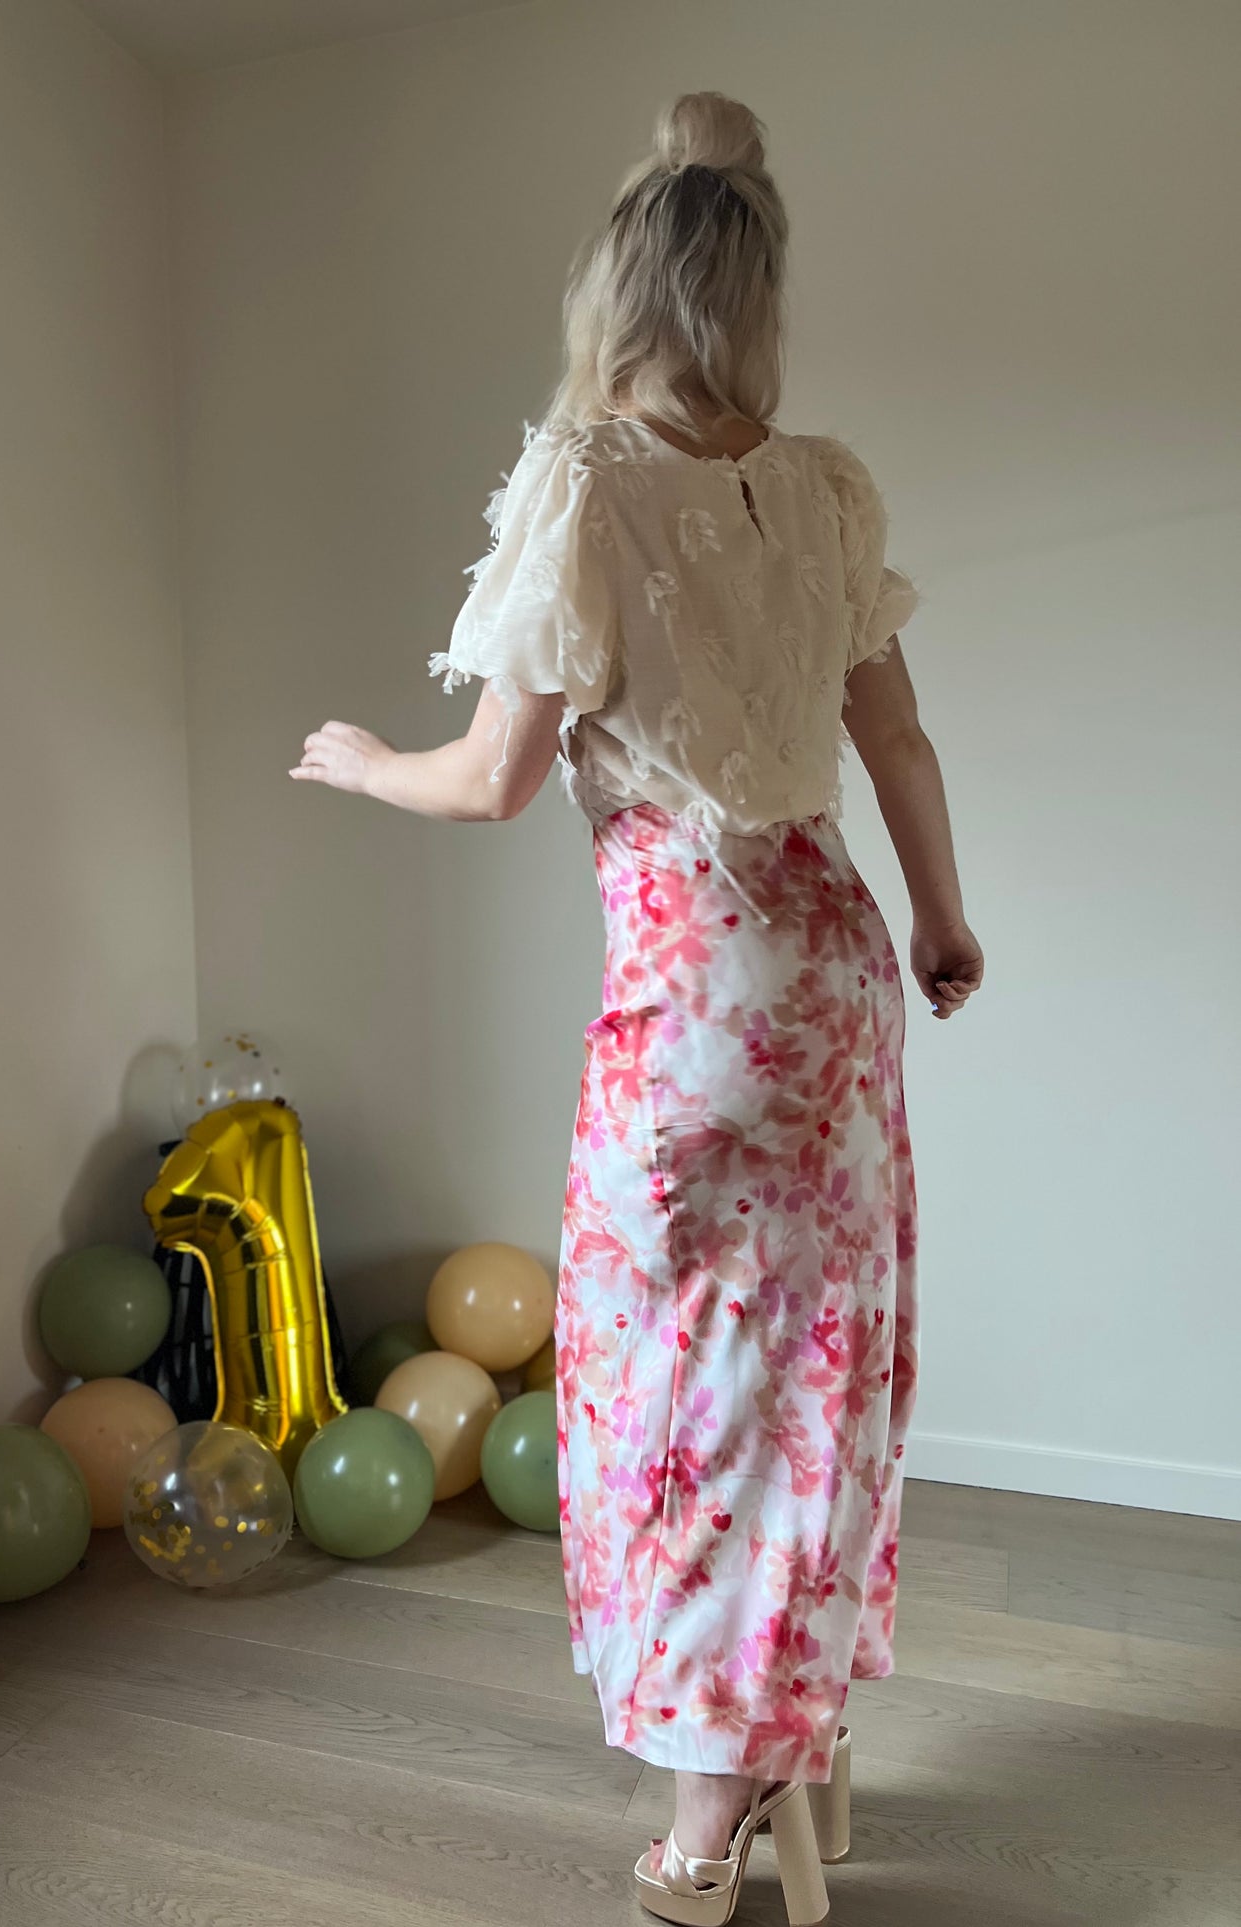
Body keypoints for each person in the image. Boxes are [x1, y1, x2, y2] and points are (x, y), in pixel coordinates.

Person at [292, 90, 982, 1927]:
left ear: (618, 288)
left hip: (694, 992)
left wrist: (365, 763)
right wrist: (940, 912)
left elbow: (494, 779)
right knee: (811, 1371)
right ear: (753, 294)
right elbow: (890, 731)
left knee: (678, 1390)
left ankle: (704, 1820)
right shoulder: (824, 485)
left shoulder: (585, 479)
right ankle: (798, 1729)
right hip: (832, 967)